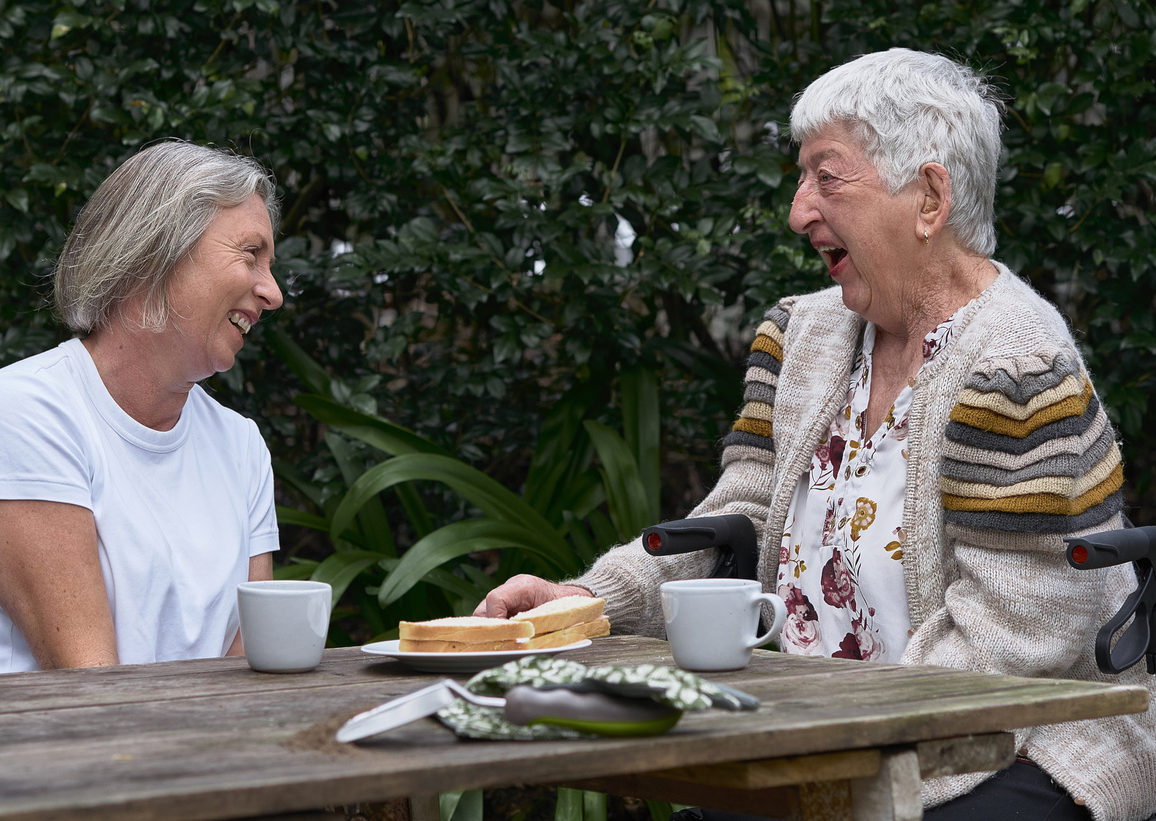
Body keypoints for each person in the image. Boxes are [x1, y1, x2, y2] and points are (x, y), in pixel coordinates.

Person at [475, 49, 1156, 821]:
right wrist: (581, 602)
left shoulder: (1015, 369)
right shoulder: (799, 335)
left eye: (826, 177)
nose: (799, 210)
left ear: (927, 197)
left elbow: (1014, 639)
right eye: (802, 179)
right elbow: (742, 514)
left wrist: (833, 756)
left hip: (1017, 736)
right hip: (821, 730)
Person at [0, 140, 284, 677]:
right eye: (250, 254)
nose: (272, 292)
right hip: (19, 753)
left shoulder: (240, 445)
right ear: (154, 254)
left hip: (186, 751)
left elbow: (246, 675)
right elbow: (88, 680)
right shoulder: (24, 415)